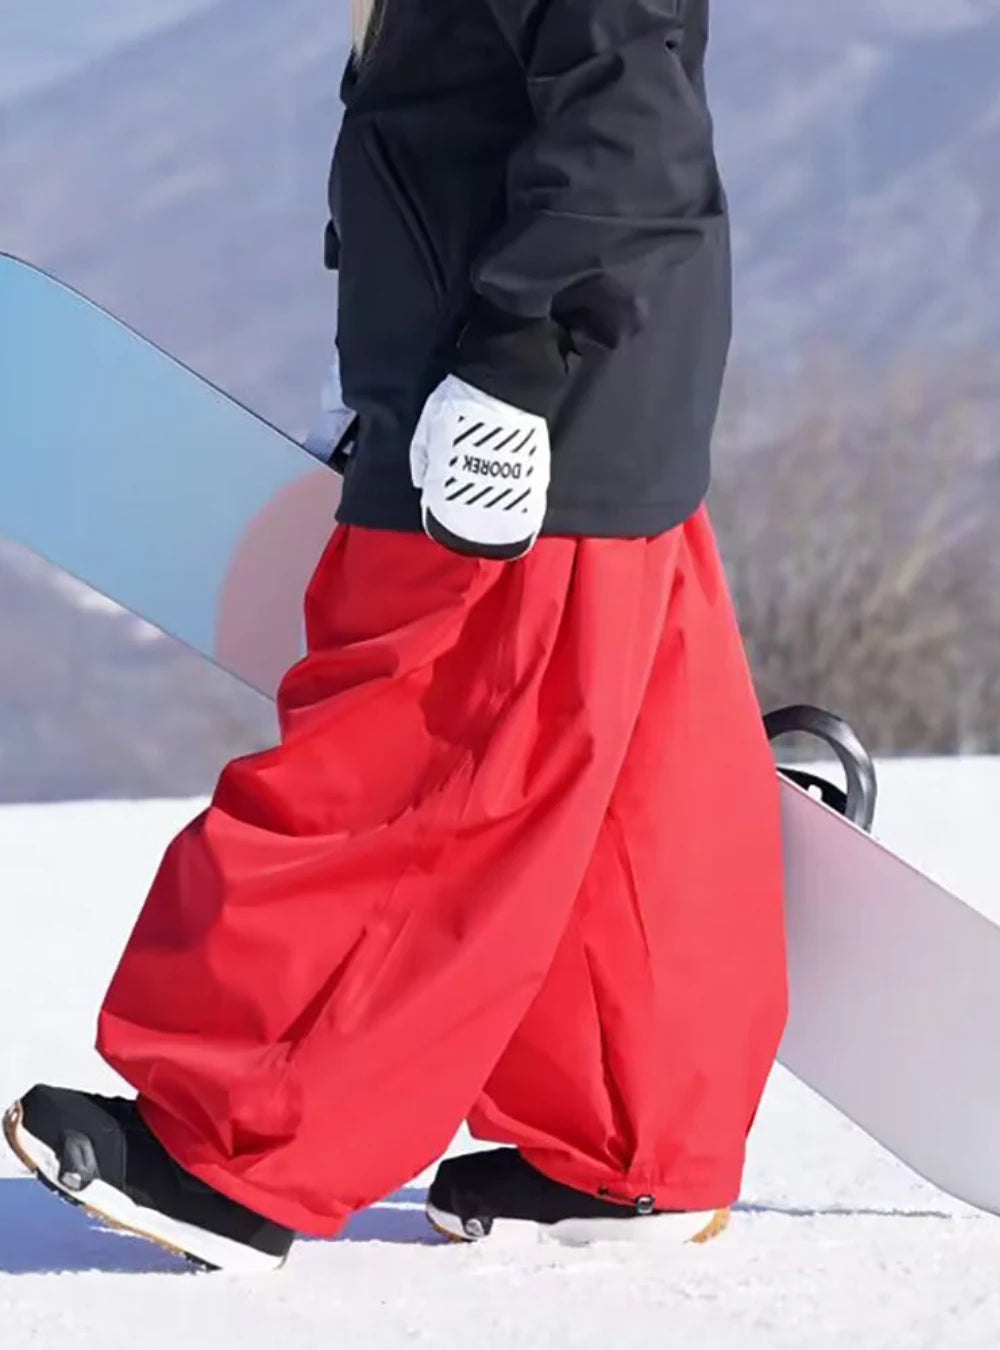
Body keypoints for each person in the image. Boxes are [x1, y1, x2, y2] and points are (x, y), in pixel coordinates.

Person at [3, 0, 788, 1272]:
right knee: (629, 799)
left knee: (408, 775)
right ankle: (630, 1147)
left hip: (524, 428)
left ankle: (233, 1152)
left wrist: (509, 367)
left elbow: (628, 126)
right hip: (594, 418)